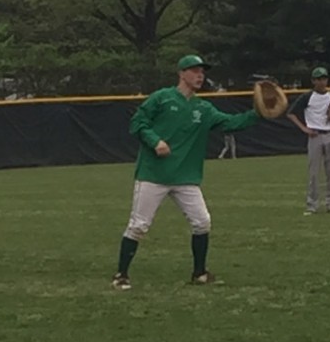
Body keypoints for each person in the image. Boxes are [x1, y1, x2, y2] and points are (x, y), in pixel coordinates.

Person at [111, 54, 260, 290]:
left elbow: (231, 123)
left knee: (202, 222)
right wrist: (154, 140)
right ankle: (121, 275)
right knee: (139, 225)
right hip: (154, 174)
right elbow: (137, 123)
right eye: (194, 70)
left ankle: (199, 273)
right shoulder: (162, 98)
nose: (200, 75)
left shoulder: (203, 108)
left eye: (202, 71)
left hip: (185, 177)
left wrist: (257, 113)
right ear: (181, 74)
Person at [286, 66, 330, 215]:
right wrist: (304, 129)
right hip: (315, 135)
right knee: (313, 172)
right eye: (318, 79)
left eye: (324, 78)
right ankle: (312, 205)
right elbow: (291, 114)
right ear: (313, 81)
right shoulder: (307, 97)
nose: (321, 82)